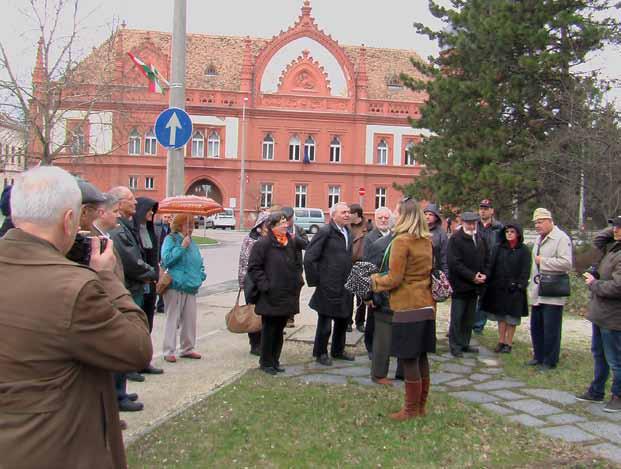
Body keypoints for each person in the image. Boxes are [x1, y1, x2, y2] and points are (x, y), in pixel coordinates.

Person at [0, 166, 152, 469]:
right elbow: (137, 349)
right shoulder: (75, 288)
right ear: (70, 220)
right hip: (55, 446)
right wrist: (108, 279)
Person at [370, 197, 435, 420]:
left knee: (408, 359)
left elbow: (394, 278)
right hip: (426, 304)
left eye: (396, 211)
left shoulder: (401, 241)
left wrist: (373, 281)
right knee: (421, 357)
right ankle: (421, 407)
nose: (393, 215)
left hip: (407, 306)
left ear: (404, 215)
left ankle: (409, 410)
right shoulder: (426, 240)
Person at [109, 187, 158, 383]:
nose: (135, 204)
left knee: (144, 322)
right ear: (120, 204)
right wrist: (151, 273)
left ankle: (139, 363)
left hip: (144, 283)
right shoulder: (121, 229)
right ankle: (128, 370)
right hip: (132, 284)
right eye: (131, 200)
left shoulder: (138, 227)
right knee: (130, 329)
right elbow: (131, 259)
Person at [247, 212, 305, 374]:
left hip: (287, 294)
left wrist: (297, 281)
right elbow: (254, 268)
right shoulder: (263, 244)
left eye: (286, 222)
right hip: (270, 295)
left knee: (280, 330)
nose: (285, 225)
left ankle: (275, 360)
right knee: (269, 329)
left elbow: (299, 256)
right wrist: (265, 285)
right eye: (281, 223)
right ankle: (266, 362)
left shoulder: (290, 243)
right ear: (272, 226)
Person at [576, 218, 621, 412]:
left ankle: (618, 396)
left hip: (614, 316)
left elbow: (618, 286)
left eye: (619, 227)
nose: (616, 230)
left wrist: (594, 284)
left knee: (615, 360)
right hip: (600, 313)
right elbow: (597, 242)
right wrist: (612, 229)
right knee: (599, 355)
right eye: (615, 227)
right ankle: (596, 391)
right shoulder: (614, 248)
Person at [305, 202, 355, 366]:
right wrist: (316, 281)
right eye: (343, 212)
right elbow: (310, 257)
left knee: (343, 319)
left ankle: (338, 350)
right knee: (325, 323)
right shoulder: (325, 232)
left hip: (345, 284)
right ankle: (320, 353)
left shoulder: (348, 231)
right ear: (333, 215)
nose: (347, 215)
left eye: (348, 212)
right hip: (328, 284)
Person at [527, 208, 572, 370]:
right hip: (538, 290)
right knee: (537, 326)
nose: (537, 226)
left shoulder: (561, 238)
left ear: (549, 221)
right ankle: (538, 356)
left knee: (551, 329)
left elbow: (566, 263)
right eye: (535, 223)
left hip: (553, 291)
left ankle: (550, 360)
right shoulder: (539, 239)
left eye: (540, 222)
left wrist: (543, 261)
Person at [161, 213, 206, 362]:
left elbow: (198, 262)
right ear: (179, 225)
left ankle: (187, 348)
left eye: (193, 225)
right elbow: (166, 260)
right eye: (188, 225)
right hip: (175, 285)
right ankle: (169, 350)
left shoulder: (192, 243)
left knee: (189, 320)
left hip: (191, 286)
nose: (191, 228)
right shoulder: (171, 239)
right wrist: (181, 247)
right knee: (172, 319)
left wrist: (201, 275)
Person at [481, 222, 531, 353]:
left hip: (515, 289)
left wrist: (520, 284)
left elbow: (526, 270)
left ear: (518, 234)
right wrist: (486, 278)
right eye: (507, 232)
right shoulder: (498, 247)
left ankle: (509, 343)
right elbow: (491, 265)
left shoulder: (524, 250)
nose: (509, 234)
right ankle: (501, 341)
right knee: (501, 316)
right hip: (499, 287)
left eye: (512, 232)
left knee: (512, 318)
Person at [447, 211, 489, 357]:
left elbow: (486, 258)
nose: (471, 225)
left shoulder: (480, 238)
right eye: (468, 223)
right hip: (460, 285)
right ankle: (455, 345)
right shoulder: (455, 239)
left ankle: (465, 342)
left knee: (469, 317)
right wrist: (472, 276)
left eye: (473, 223)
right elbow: (454, 263)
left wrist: (484, 274)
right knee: (458, 317)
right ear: (463, 223)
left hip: (475, 286)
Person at [238, 211, 270, 355]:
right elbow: (243, 261)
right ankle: (255, 344)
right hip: (252, 281)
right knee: (253, 313)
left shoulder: (271, 239)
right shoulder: (250, 240)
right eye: (268, 224)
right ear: (261, 225)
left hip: (266, 281)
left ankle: (264, 342)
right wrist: (242, 282)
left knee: (265, 314)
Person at [362, 207, 393, 357]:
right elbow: (366, 266)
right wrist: (367, 294)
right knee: (373, 319)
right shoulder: (370, 238)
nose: (383, 220)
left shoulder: (393, 236)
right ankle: (370, 347)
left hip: (389, 284)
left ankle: (385, 346)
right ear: (375, 219)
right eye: (380, 217)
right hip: (375, 283)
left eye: (386, 217)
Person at [472, 199, 504, 334]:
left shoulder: (499, 228)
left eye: (486, 208)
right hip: (474, 264)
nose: (483, 210)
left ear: (492, 210)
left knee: (485, 298)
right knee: (470, 297)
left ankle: (478, 326)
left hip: (491, 265)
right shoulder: (474, 225)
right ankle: (466, 323)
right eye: (481, 208)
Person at [282, 206, 309, 328]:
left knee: (294, 293)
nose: (287, 222)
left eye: (289, 219)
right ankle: (281, 318)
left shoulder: (299, 230)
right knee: (282, 292)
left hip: (296, 267)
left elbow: (307, 245)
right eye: (285, 219)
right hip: (281, 268)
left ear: (293, 218)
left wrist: (295, 238)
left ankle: (290, 318)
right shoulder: (278, 229)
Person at [349, 203, 368, 332]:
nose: (347, 215)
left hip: (362, 264)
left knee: (362, 296)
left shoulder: (368, 228)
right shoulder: (346, 227)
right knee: (348, 296)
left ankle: (360, 322)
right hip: (349, 264)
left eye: (349, 213)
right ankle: (347, 322)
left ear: (356, 214)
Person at [423, 203, 449, 276]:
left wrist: (446, 275)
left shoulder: (441, 234)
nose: (427, 217)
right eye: (425, 214)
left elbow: (445, 257)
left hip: (435, 273)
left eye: (430, 215)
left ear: (436, 217)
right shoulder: (418, 230)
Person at [154, 213, 172, 313]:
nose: (167, 219)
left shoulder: (171, 229)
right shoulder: (156, 227)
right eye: (165, 217)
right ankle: (154, 303)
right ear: (161, 217)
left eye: (169, 217)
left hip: (166, 259)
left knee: (164, 282)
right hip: (157, 257)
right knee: (156, 281)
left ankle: (161, 304)